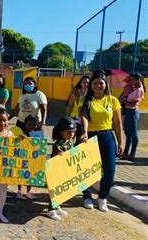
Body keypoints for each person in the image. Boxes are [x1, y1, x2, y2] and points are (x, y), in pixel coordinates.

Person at [80, 71, 123, 212]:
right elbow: (84, 116)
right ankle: (87, 196)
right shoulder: (86, 100)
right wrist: (85, 132)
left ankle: (102, 197)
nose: (98, 85)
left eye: (101, 83)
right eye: (95, 83)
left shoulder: (112, 100)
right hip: (90, 136)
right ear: (91, 85)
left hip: (107, 136)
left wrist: (120, 142)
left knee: (110, 170)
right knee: (86, 168)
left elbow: (117, 123)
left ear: (105, 84)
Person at [47, 117, 76, 220]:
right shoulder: (59, 144)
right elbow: (56, 156)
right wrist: (60, 155)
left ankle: (58, 205)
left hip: (65, 170)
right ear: (61, 132)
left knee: (61, 189)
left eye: (73, 132)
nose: (71, 134)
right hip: (56, 170)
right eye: (68, 132)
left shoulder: (70, 142)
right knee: (55, 189)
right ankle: (51, 209)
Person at [119, 73, 145, 161]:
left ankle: (132, 153)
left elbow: (133, 104)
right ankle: (126, 152)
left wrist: (124, 101)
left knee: (133, 134)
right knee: (128, 133)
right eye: (130, 80)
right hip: (128, 112)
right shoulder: (134, 89)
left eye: (133, 79)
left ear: (139, 79)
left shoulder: (139, 90)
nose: (131, 81)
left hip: (132, 112)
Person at [16, 115, 39, 199]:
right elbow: (17, 142)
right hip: (23, 158)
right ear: (25, 124)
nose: (31, 126)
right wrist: (22, 138)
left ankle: (29, 191)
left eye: (34, 125)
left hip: (32, 158)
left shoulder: (37, 135)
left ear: (36, 125)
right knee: (21, 174)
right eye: (29, 124)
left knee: (31, 174)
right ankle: (19, 191)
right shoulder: (23, 134)